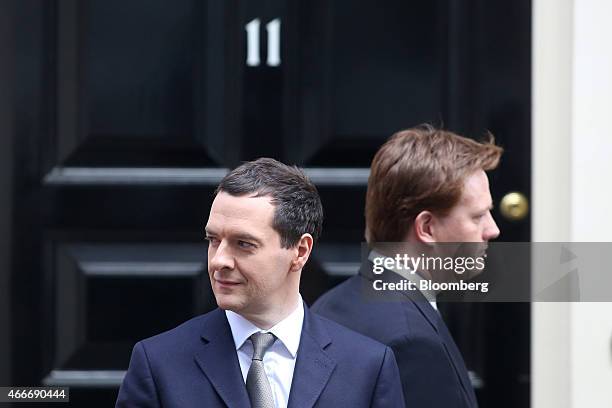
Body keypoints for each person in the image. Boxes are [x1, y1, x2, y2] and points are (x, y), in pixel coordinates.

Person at [116, 158, 405, 408]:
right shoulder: (158, 363)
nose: (219, 261)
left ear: (300, 251)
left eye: (243, 244)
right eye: (213, 240)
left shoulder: (367, 366)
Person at [312, 125, 503, 408]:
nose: (493, 229)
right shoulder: (412, 343)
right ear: (426, 227)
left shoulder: (327, 307)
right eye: (477, 217)